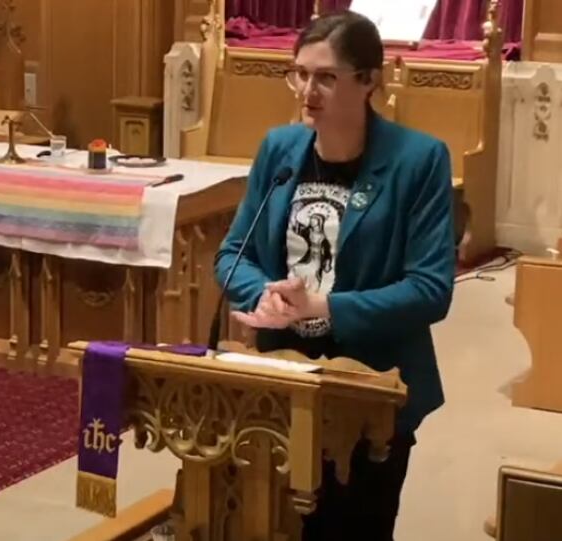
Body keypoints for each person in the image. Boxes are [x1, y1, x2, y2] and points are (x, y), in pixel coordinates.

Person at [214, 10, 455, 541]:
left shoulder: (419, 160)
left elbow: (431, 289)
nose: (307, 89)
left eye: (326, 76)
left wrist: (324, 308)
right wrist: (269, 296)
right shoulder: (280, 150)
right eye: (299, 73)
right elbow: (233, 255)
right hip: (280, 386)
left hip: (371, 393)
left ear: (369, 80)